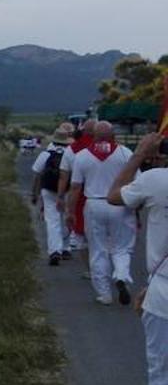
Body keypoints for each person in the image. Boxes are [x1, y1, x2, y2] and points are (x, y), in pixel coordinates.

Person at [108, 132, 168, 385]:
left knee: (162, 380)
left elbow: (114, 196)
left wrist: (138, 156)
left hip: (164, 296)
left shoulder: (155, 180)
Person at [67, 121, 134, 305]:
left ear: (94, 136)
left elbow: (75, 188)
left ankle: (104, 294)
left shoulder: (82, 156)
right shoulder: (125, 153)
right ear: (113, 135)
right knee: (122, 247)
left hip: (94, 204)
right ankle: (121, 275)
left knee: (98, 250)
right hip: (120, 202)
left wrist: (70, 211)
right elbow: (137, 182)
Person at [30, 122, 74, 267]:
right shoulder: (72, 154)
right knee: (65, 218)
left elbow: (37, 174)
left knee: (52, 220)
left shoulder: (45, 154)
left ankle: (55, 251)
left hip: (48, 190)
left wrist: (34, 193)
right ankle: (66, 248)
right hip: (67, 190)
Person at [59, 118, 97, 257]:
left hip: (79, 195)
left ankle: (92, 269)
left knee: (81, 232)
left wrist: (60, 196)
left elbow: (64, 175)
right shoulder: (117, 150)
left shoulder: (72, 150)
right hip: (105, 197)